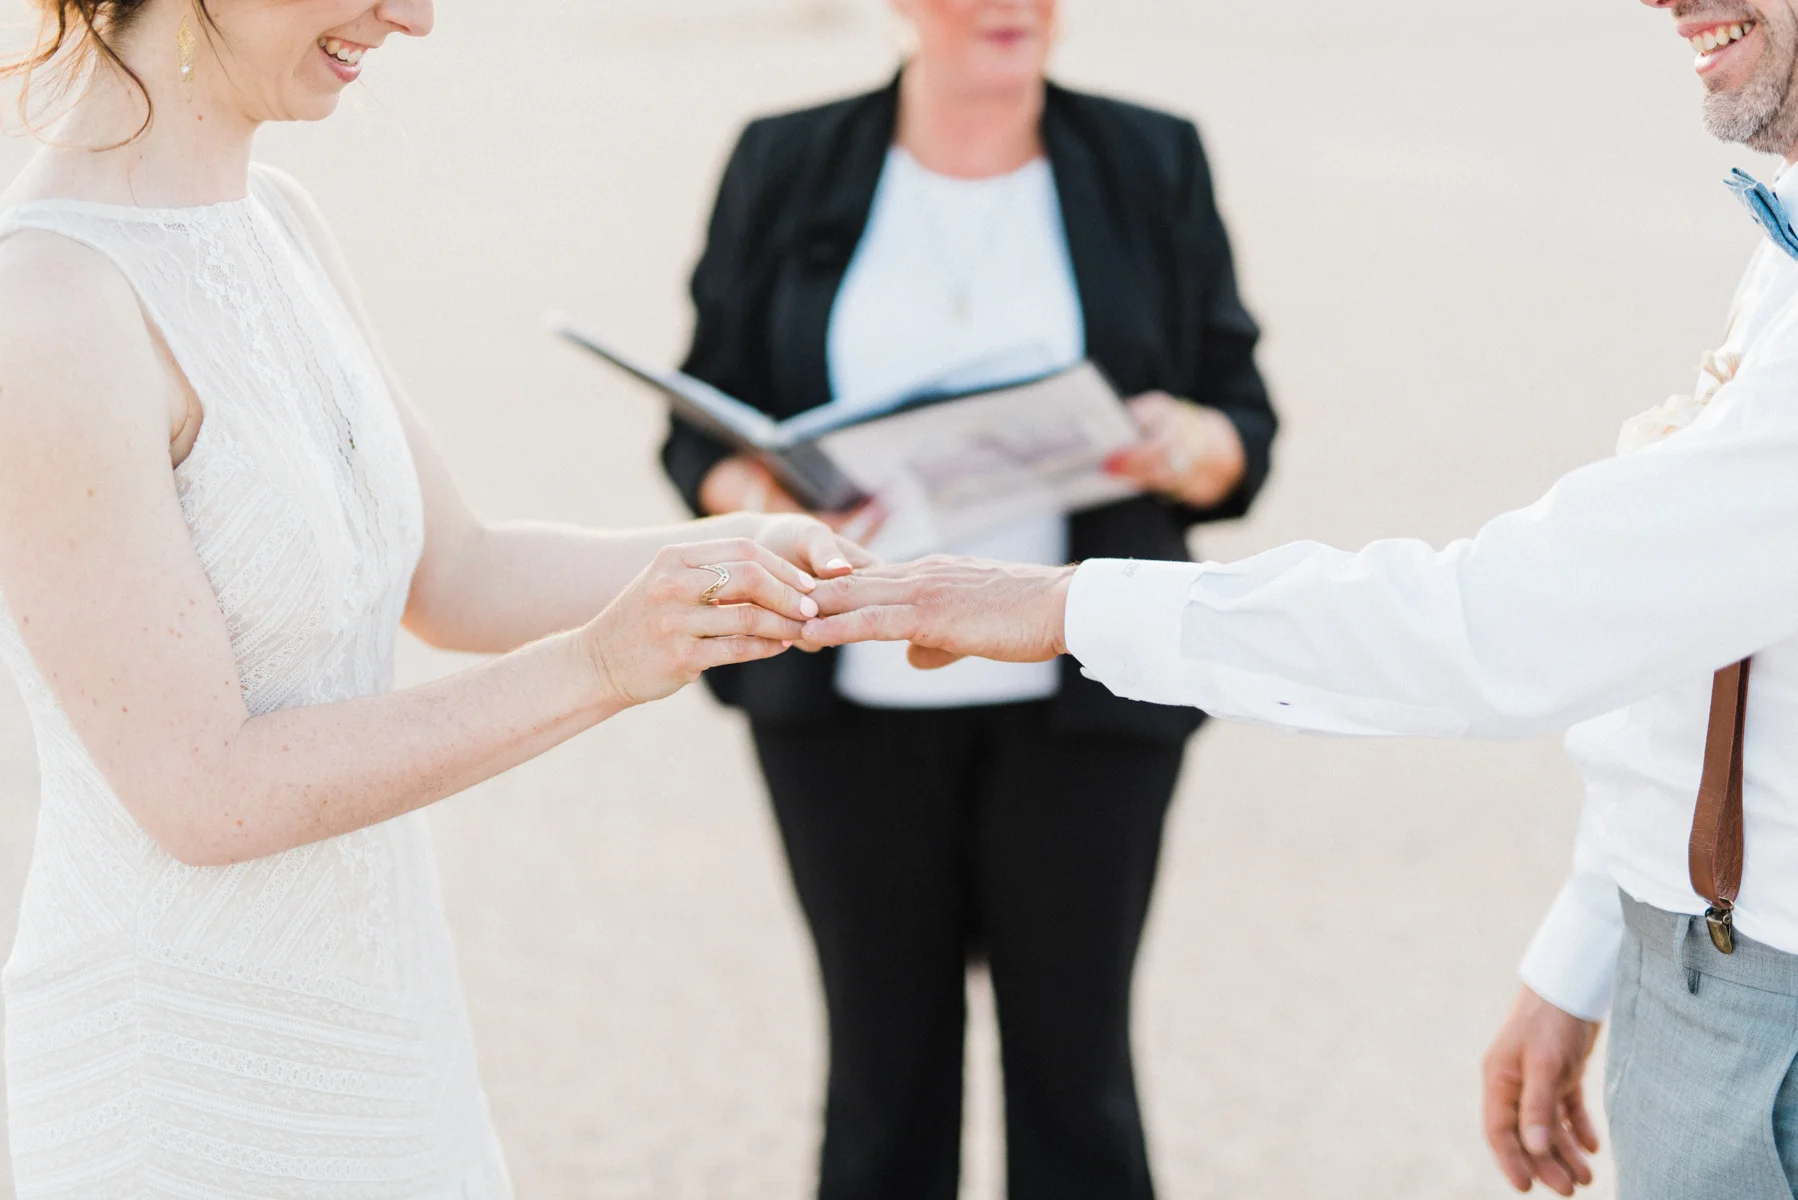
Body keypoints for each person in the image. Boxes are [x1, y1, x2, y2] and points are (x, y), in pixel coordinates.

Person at [797, 1, 1798, 1196]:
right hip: (1696, 951)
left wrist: (1070, 608)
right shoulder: (1776, 234)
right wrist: (1589, 948)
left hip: (1764, 1009)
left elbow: (1498, 627)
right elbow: (1682, 636)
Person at [0, 2, 868, 1195]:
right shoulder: (45, 307)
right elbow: (200, 791)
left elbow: (456, 572)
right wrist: (601, 669)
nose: (409, 16)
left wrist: (742, 548)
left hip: (384, 1015)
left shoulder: (280, 223)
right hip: (182, 1069)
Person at [660, 1, 1276, 1194]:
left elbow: (1239, 430)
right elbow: (701, 425)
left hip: (1085, 693)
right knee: (880, 1087)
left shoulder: (1152, 156)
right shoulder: (783, 158)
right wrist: (754, 491)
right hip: (838, 694)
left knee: (1077, 1081)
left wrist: (1181, 442)